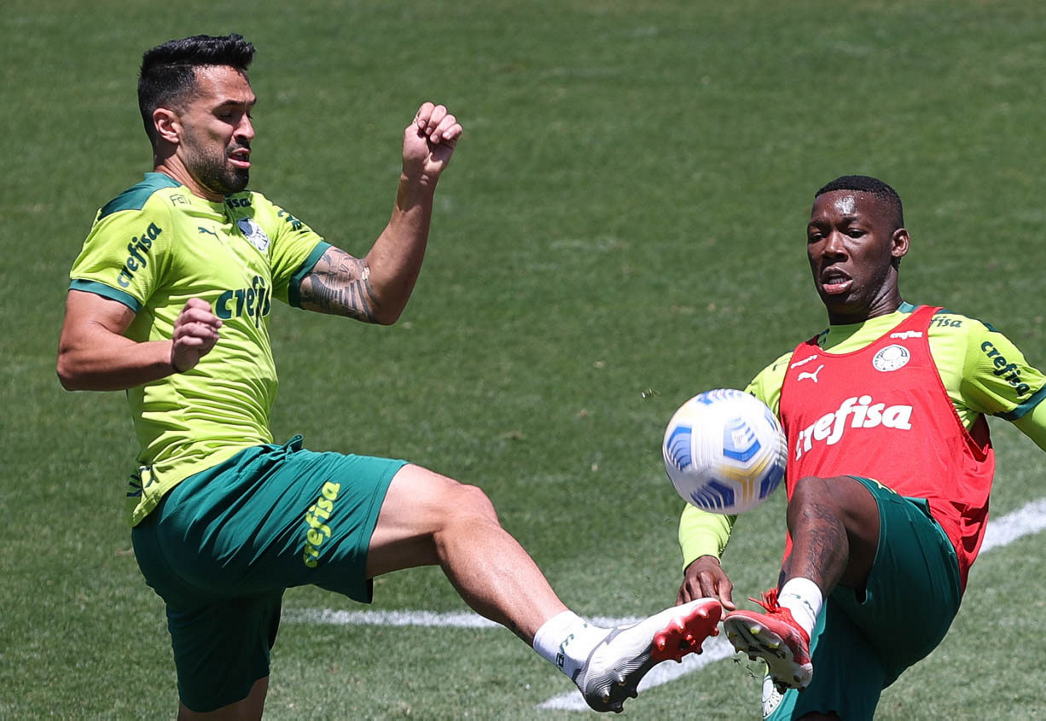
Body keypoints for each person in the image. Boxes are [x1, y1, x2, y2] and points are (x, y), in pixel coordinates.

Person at [58, 33, 720, 718]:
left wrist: (416, 185)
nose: (247, 129)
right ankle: (585, 651)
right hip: (214, 490)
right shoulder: (146, 212)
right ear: (168, 125)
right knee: (455, 509)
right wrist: (167, 354)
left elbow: (373, 294)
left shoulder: (251, 220)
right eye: (227, 114)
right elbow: (77, 355)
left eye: (250, 112)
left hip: (190, 531)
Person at [674, 175, 1046, 720]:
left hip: (920, 570)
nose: (831, 247)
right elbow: (713, 482)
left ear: (898, 244)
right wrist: (702, 554)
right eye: (817, 235)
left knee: (819, 494)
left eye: (852, 232)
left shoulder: (955, 340)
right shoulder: (782, 376)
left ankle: (791, 620)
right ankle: (797, 627)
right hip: (838, 605)